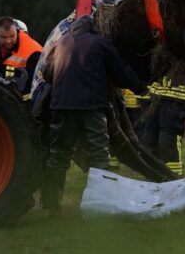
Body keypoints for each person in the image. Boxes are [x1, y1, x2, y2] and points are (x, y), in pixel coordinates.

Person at [42, 16, 145, 217]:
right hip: (91, 106)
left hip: (62, 105)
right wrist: (139, 86)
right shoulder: (99, 43)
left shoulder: (60, 43)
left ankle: (51, 203)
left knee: (59, 154)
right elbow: (121, 71)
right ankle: (101, 204)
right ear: (92, 30)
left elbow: (47, 74)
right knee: (99, 155)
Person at [0, 17, 43, 94]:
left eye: (12, 36)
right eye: (4, 37)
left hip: (17, 99)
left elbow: (35, 89)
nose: (8, 41)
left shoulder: (33, 53)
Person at [144, 76, 185, 175]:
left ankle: (173, 181)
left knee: (168, 141)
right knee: (149, 139)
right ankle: (154, 180)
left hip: (176, 94)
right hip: (153, 93)